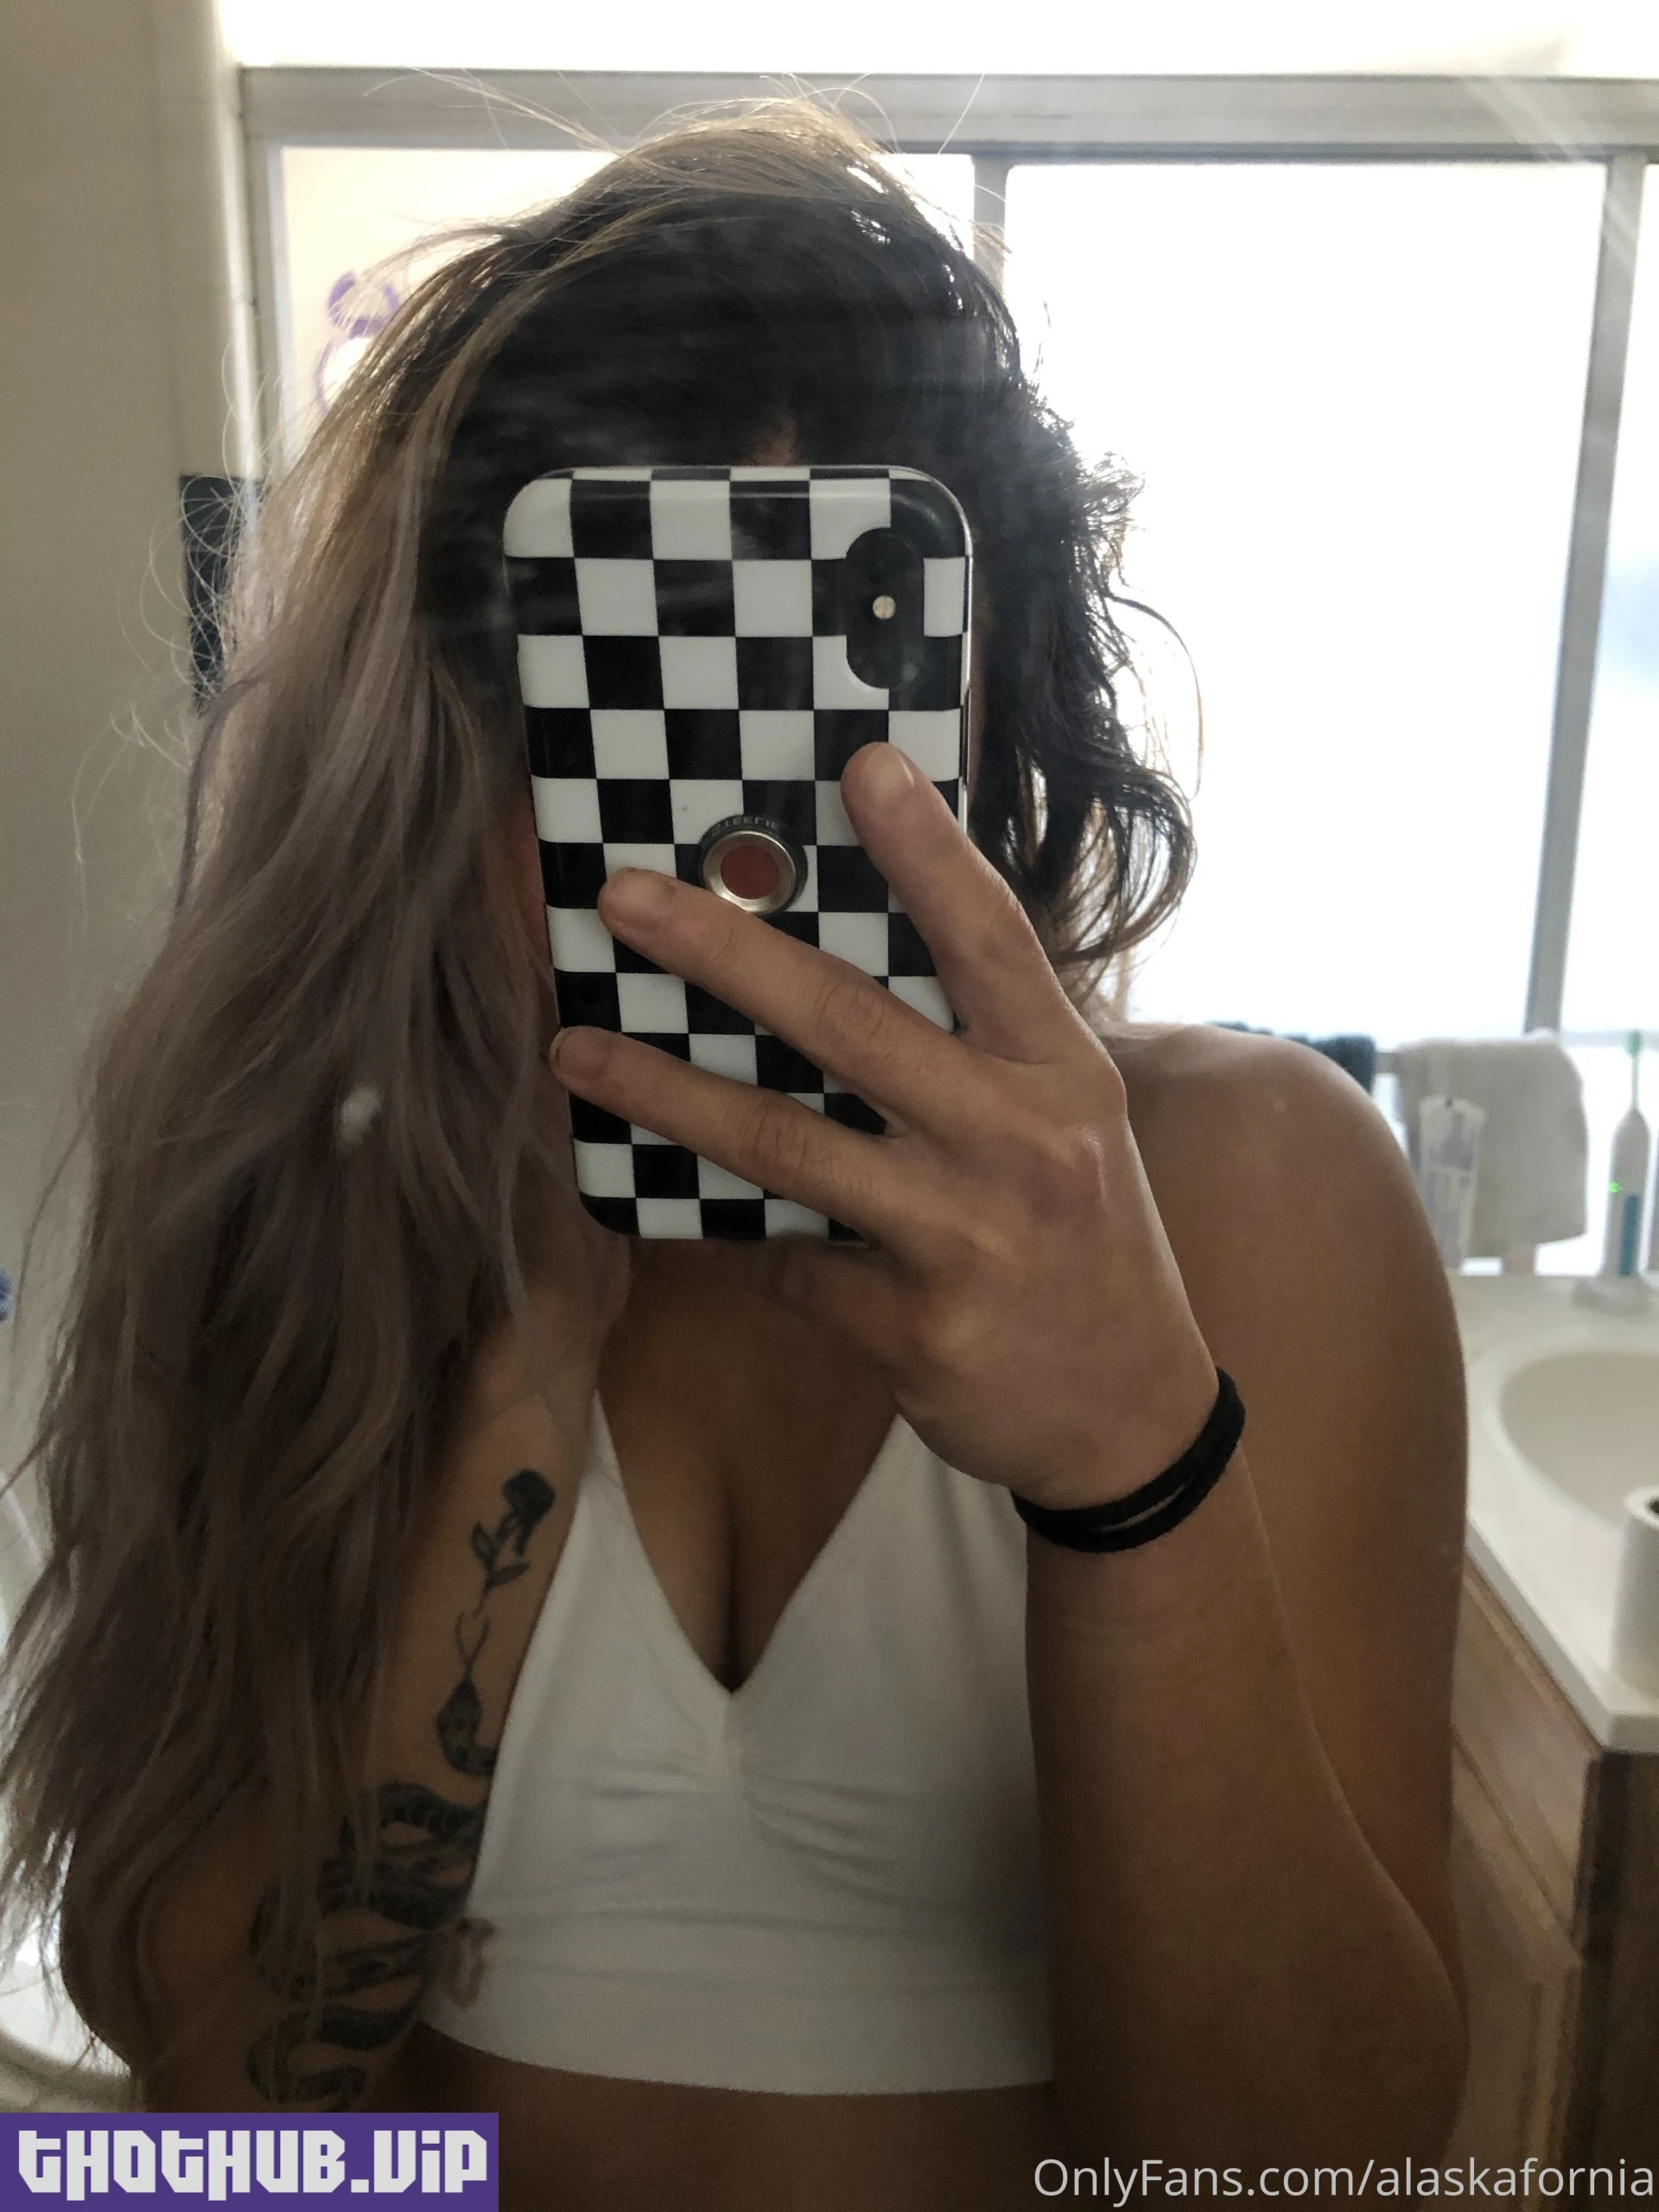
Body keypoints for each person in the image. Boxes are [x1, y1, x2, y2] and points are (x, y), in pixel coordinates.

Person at [0, 102, 1467, 2207]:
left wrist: (1131, 1455)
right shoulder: (315, 1190)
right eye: (621, 686)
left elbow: (1309, 2168)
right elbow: (237, 2109)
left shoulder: (1247, 1187)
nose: (732, 837)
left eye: (825, 687)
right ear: (454, 723)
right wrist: (513, 1355)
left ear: (990, 708)